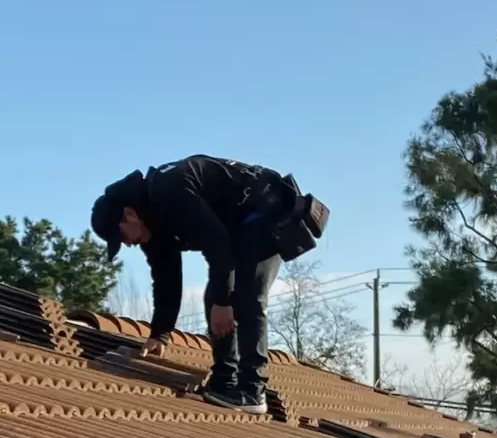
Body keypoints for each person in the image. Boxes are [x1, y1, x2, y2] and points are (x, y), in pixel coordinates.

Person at [89, 157, 328, 412]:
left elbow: (217, 243)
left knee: (245, 295)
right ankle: (225, 381)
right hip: (239, 225)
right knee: (217, 294)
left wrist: (224, 302)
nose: (127, 243)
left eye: (122, 235)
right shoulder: (152, 226)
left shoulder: (168, 192)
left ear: (129, 213)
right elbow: (166, 278)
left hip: (267, 209)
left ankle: (251, 390)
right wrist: (160, 333)